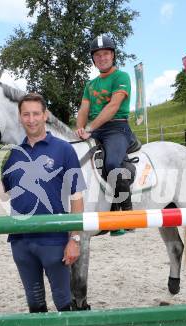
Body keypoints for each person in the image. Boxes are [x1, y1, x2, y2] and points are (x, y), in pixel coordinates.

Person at [0, 93, 86, 313]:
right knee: (34, 304)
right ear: (20, 118)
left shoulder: (64, 150)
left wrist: (74, 239)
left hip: (54, 239)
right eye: (26, 114)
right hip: (21, 241)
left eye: (36, 114)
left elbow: (77, 198)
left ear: (45, 116)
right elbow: (5, 195)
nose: (31, 119)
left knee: (63, 302)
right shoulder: (15, 153)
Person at [75, 34, 135, 216]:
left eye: (106, 54)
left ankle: (126, 211)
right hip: (95, 131)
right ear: (93, 59)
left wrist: (89, 128)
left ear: (113, 55)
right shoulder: (90, 84)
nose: (102, 58)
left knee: (111, 163)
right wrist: (79, 128)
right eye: (97, 55)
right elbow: (84, 108)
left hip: (117, 129)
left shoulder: (121, 77)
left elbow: (113, 106)